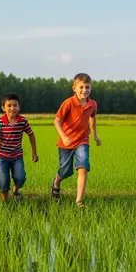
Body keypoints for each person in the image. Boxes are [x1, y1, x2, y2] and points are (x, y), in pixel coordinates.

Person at [50, 73, 101, 208]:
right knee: (65, 171)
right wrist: (64, 137)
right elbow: (57, 121)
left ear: (91, 88)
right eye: (82, 87)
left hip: (83, 140)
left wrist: (95, 135)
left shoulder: (93, 104)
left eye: (88, 87)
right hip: (66, 142)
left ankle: (79, 201)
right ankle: (56, 182)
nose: (85, 90)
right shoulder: (68, 103)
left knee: (83, 167)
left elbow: (92, 117)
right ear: (74, 88)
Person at [0, 93, 38, 202]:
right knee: (3, 182)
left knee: (20, 178)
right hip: (2, 156)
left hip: (17, 156)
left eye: (15, 105)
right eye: (9, 106)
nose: (12, 108)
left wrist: (34, 152)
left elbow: (31, 134)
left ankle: (16, 190)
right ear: (3, 108)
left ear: (19, 107)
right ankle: (5, 202)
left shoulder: (22, 121)